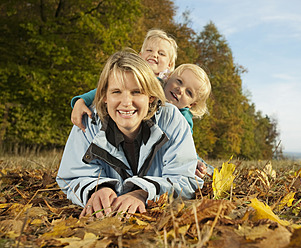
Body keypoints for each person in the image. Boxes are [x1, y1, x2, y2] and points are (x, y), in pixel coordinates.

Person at [56, 50, 203, 218]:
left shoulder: (172, 120)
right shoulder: (88, 121)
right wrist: (97, 189)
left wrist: (142, 193)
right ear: (104, 95)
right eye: (116, 92)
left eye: (136, 92)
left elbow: (185, 178)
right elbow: (70, 175)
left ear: (151, 96)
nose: (126, 103)